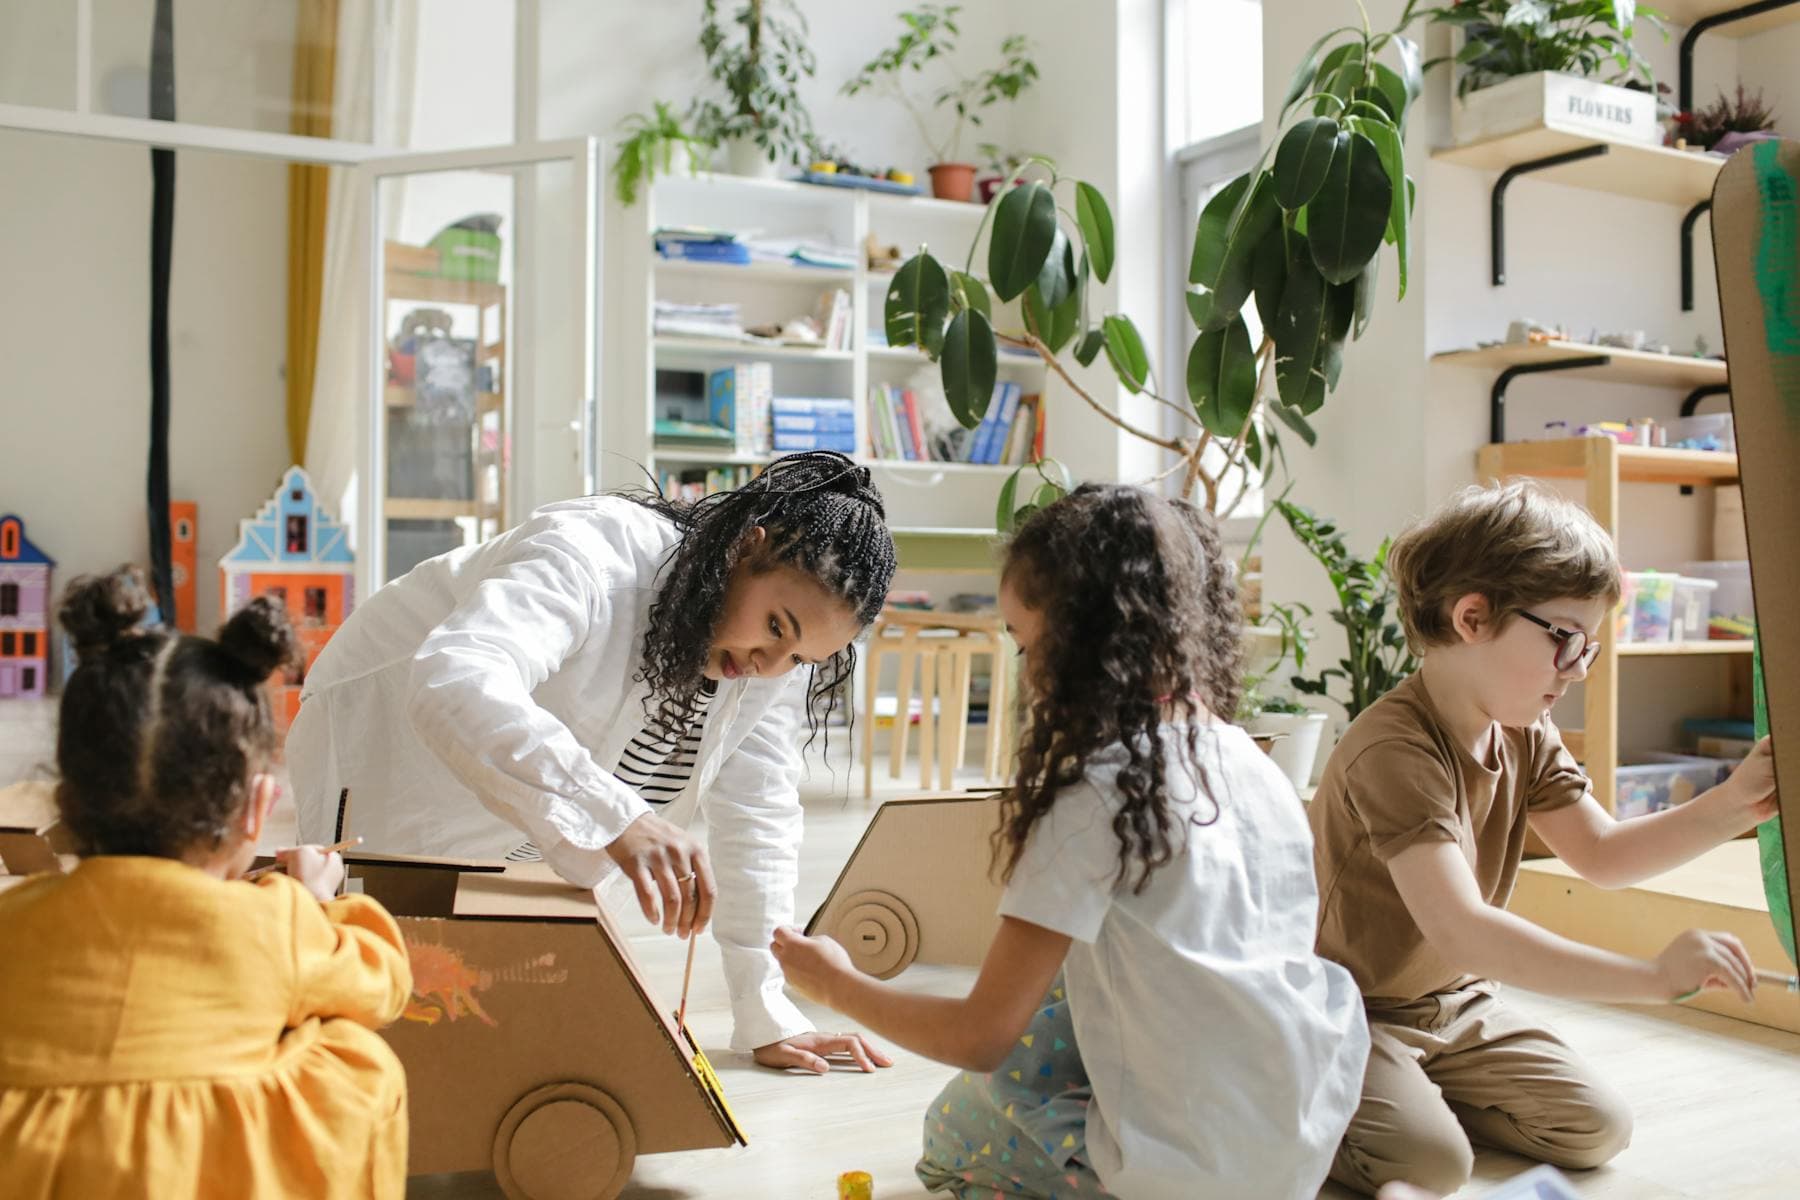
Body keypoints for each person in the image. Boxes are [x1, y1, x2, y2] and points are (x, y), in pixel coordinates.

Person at [773, 485, 1369, 1198]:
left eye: (1027, 645)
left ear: (1084, 640)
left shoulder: (1102, 796)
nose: (1026, 675)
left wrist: (837, 983)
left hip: (1181, 1176)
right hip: (1298, 1146)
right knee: (1073, 984)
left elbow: (979, 1036)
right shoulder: (1252, 765)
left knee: (954, 1137)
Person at [287, 451, 899, 1070]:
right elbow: (458, 679)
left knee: (476, 1014)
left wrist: (764, 1007)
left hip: (523, 798)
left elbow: (759, 810)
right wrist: (616, 816)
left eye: (800, 658)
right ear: (746, 548)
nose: (770, 664)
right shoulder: (593, 551)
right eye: (774, 625)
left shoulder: (770, 662)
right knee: (366, 987)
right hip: (381, 733)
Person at [1310, 481, 1778, 1196]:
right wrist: (1652, 978)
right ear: (1472, 617)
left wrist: (1733, 805)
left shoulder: (1525, 731)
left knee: (1596, 1129)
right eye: (1564, 639)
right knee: (1429, 1165)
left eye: (1588, 646)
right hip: (1351, 1009)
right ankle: (1315, 1094)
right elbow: (1464, 929)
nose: (1579, 671)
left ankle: (1410, 1097)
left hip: (1457, 1005)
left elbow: (1603, 855)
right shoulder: (1393, 749)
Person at [0, 568, 411, 1198]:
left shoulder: (15, 918)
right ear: (255, 809)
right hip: (204, 1170)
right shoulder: (277, 922)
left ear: (68, 797)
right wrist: (321, 903)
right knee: (360, 1055)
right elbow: (384, 984)